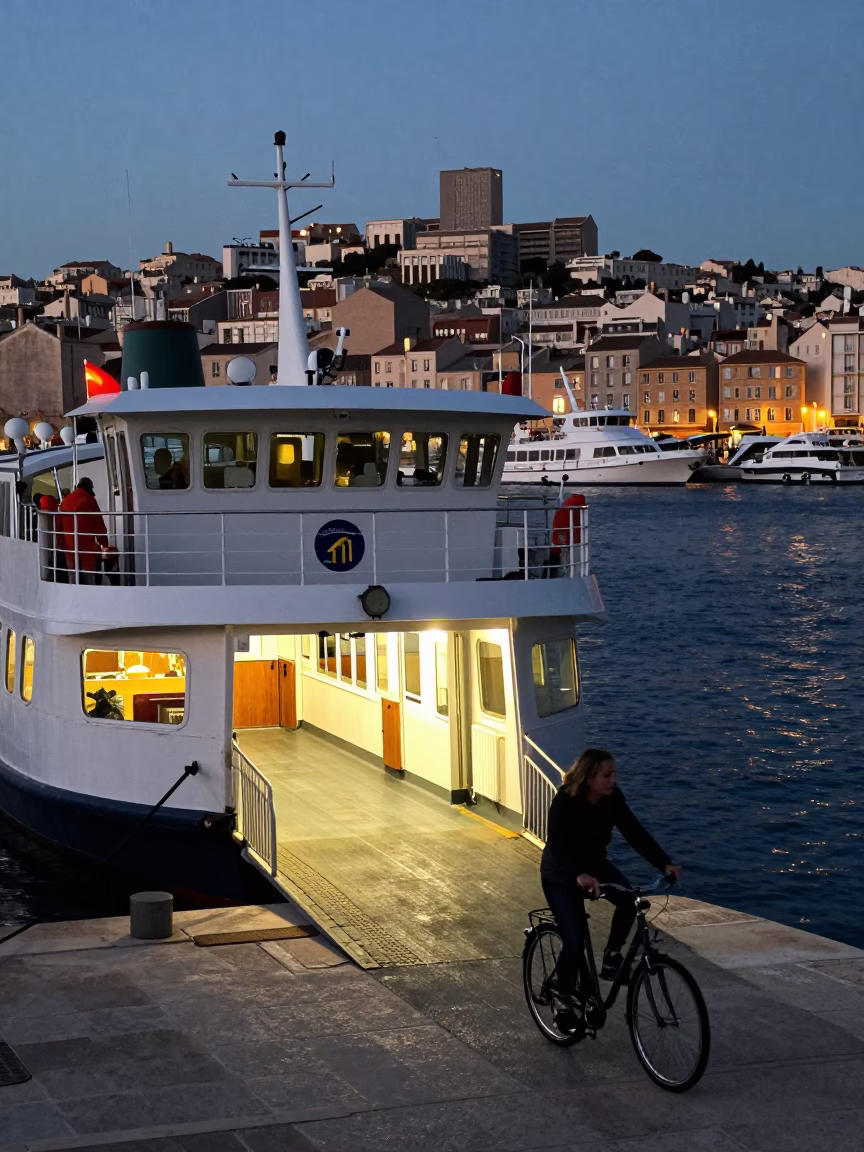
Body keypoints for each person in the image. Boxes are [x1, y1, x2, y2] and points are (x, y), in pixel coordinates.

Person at [540, 748, 681, 1009]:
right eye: (606, 775)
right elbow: (558, 846)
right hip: (560, 874)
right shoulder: (566, 801)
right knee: (574, 941)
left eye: (614, 773)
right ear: (588, 777)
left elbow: (634, 832)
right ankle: (560, 991)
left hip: (594, 866)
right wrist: (578, 874)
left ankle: (611, 959)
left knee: (629, 901)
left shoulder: (612, 798)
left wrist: (665, 863)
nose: (613, 780)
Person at [57, 477, 108, 585]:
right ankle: (90, 593)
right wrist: (104, 544)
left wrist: (60, 544)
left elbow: (59, 525)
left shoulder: (65, 501)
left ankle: (72, 591)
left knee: (72, 574)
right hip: (87, 545)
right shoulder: (90, 500)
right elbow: (98, 524)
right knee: (89, 576)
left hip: (69, 544)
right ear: (89, 488)